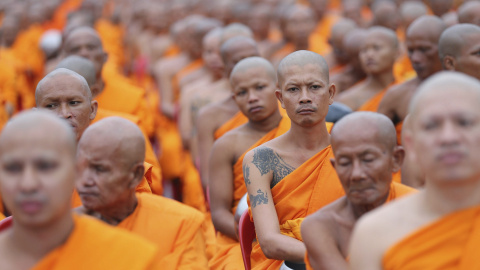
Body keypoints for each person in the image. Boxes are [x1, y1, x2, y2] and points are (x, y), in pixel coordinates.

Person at [349, 72, 480, 270]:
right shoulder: (375, 233)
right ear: (410, 143)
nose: (448, 137)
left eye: (464, 122)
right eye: (431, 126)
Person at [0, 111, 160, 269]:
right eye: (13, 168)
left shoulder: (130, 259)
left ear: (76, 171)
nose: (28, 184)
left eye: (45, 167)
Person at [243, 50, 345, 269]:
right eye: (293, 89)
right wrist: (333, 260)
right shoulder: (260, 160)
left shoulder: (350, 147)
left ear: (331, 93)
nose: (305, 97)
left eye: (315, 87)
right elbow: (270, 242)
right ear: (280, 98)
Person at [75, 117, 209, 269]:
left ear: (136, 176)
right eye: (79, 169)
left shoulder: (182, 224)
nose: (85, 181)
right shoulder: (65, 231)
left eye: (100, 169)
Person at [301, 112, 416, 270]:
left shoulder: (426, 211)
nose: (356, 174)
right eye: (345, 163)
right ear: (335, 167)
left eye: (368, 160)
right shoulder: (322, 227)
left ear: (396, 160)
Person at [208, 57, 287, 269]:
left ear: (278, 89)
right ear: (234, 98)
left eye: (260, 87)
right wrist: (256, 237)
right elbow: (219, 213)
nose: (252, 98)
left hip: (297, 231)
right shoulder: (226, 145)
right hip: (243, 238)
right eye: (242, 93)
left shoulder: (301, 131)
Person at [62, 26, 154, 138]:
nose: (84, 53)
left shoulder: (133, 98)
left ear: (105, 57)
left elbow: (140, 146)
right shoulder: (53, 102)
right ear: (63, 58)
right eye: (75, 49)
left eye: (91, 48)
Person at [197, 36, 260, 190]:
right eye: (239, 60)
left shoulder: (283, 104)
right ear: (224, 68)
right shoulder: (210, 115)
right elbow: (208, 179)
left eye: (252, 58)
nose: (247, 66)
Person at [378, 15, 446, 143]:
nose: (415, 58)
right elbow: (377, 145)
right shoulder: (397, 95)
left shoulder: (467, 91)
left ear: (444, 48)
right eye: (411, 50)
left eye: (424, 49)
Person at [336, 27, 398, 112]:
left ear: (397, 53)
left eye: (376, 48)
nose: (369, 55)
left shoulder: (407, 88)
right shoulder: (348, 101)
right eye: (364, 50)